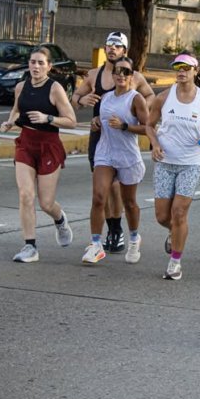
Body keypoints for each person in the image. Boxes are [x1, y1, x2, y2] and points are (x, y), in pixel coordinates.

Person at [72, 31, 155, 254]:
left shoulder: (134, 77)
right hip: (100, 136)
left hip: (124, 139)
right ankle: (99, 240)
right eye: (109, 45)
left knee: (118, 190)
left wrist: (135, 112)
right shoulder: (94, 74)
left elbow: (150, 97)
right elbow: (75, 99)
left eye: (117, 46)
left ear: (124, 51)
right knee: (102, 191)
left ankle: (117, 232)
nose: (112, 49)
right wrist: (83, 99)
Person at [0, 46, 76, 263]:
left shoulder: (55, 89)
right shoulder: (21, 86)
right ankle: (30, 246)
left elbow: (71, 120)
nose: (36, 66)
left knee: (46, 203)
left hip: (48, 145)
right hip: (25, 143)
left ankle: (60, 220)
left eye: (41, 63)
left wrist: (47, 118)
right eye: (33, 62)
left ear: (49, 67)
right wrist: (10, 122)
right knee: (25, 195)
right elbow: (17, 109)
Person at [146, 52, 200, 280]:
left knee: (179, 213)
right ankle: (174, 232)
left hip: (191, 163)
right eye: (178, 68)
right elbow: (149, 125)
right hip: (165, 162)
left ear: (195, 71)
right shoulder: (163, 98)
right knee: (161, 216)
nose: (181, 72)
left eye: (186, 68)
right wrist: (154, 144)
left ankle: (175, 262)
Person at [82, 56, 150, 265]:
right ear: (112, 75)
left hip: (127, 155)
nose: (121, 75)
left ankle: (133, 238)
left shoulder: (135, 98)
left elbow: (147, 127)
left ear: (132, 76)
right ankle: (95, 245)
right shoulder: (106, 97)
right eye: (118, 71)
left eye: (126, 72)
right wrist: (95, 122)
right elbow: (99, 119)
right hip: (105, 153)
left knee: (129, 203)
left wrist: (124, 126)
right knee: (98, 197)